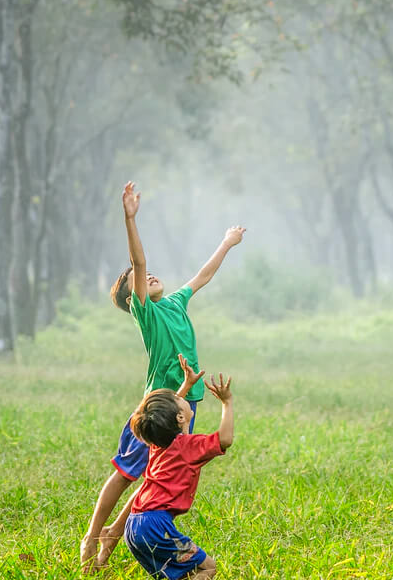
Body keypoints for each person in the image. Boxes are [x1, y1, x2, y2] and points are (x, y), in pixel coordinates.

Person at [80, 181, 245, 571]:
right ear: (130, 298)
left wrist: (226, 242)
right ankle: (92, 538)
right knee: (125, 473)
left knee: (155, 479)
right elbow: (138, 262)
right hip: (157, 405)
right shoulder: (147, 313)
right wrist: (130, 218)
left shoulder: (174, 302)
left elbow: (202, 276)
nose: (148, 275)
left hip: (185, 403)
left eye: (151, 274)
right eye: (137, 280)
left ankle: (108, 548)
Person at [124, 368, 234, 580]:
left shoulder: (158, 442)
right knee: (207, 568)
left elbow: (166, 416)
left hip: (134, 526)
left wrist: (187, 385)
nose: (179, 397)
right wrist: (227, 402)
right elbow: (225, 439)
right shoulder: (189, 447)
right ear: (180, 416)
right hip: (155, 526)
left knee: (181, 576)